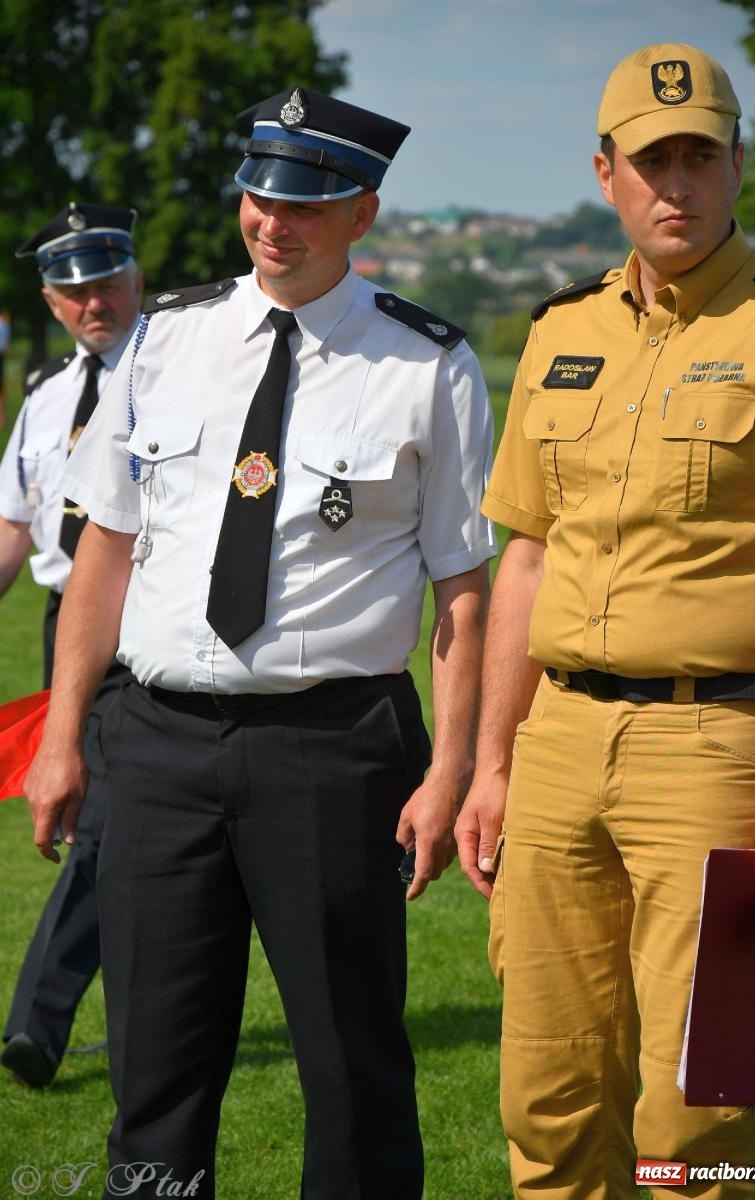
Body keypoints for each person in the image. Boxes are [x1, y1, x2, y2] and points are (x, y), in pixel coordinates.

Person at [25, 88, 495, 1199]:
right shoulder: (166, 341)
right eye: (258, 195)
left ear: (362, 213)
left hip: (331, 751)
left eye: (308, 202)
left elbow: (463, 596)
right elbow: (104, 551)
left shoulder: (427, 365)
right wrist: (61, 736)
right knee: (154, 1068)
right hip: (158, 747)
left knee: (348, 1066)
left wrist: (452, 771)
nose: (272, 221)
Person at [455, 41, 755, 1199]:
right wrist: (491, 765)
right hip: (556, 751)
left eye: (700, 154)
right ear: (602, 172)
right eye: (651, 159)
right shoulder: (560, 331)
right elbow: (526, 560)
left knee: (701, 1122)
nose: (676, 183)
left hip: (720, 753)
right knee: (545, 1102)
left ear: (738, 166)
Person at [0, 203, 143, 1087]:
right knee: (115, 828)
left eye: (107, 281)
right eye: (74, 290)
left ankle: (37, 1025)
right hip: (71, 625)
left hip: (157, 615)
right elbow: (14, 526)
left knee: (111, 823)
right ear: (51, 301)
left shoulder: (180, 365)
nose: (94, 302)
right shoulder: (49, 395)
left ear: (135, 278)